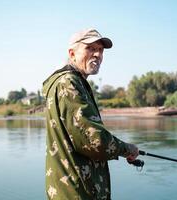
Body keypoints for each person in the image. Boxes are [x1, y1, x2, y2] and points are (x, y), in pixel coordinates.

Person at [42, 28, 139, 200]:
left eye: (100, 50)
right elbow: (95, 141)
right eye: (90, 48)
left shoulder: (72, 81)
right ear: (72, 54)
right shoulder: (68, 83)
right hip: (77, 193)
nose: (97, 54)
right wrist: (127, 149)